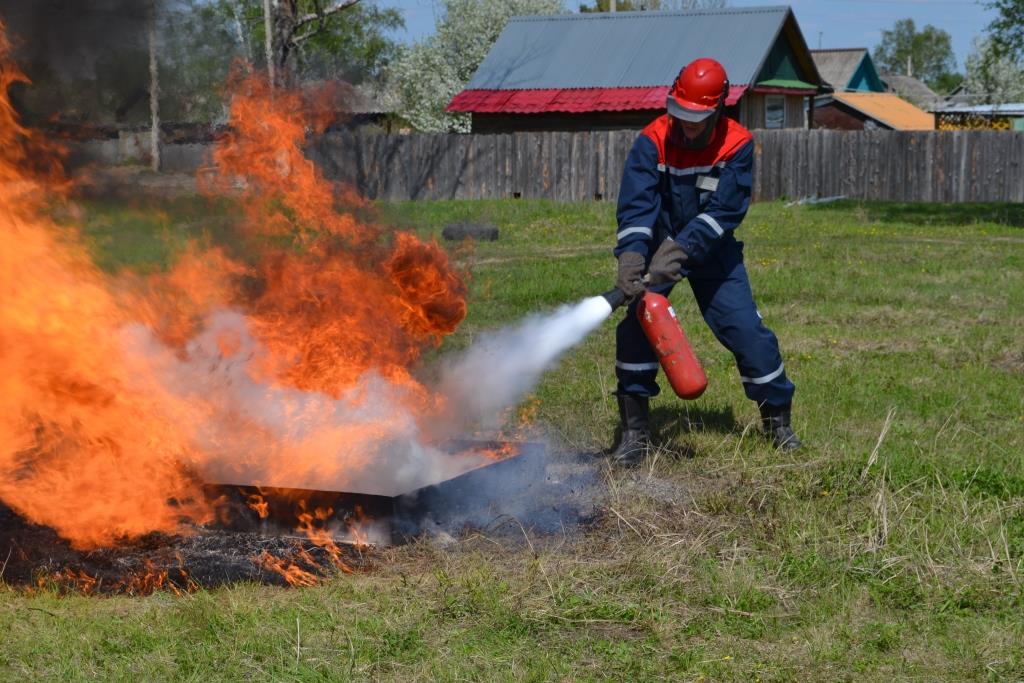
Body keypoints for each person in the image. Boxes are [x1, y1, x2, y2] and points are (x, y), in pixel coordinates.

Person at [611, 57, 802, 466]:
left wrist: (678, 252)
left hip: (714, 249)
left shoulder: (737, 144)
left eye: (696, 117)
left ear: (718, 108)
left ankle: (778, 422)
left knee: (747, 331)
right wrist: (632, 258)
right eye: (679, 113)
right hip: (656, 245)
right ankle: (635, 433)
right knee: (635, 329)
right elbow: (637, 206)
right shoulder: (652, 140)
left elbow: (725, 212)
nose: (686, 124)